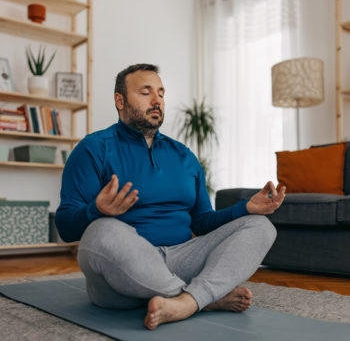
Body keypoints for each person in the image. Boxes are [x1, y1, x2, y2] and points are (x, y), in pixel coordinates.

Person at [56, 63, 286, 330]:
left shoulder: (184, 156)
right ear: (120, 101)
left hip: (182, 260)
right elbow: (65, 227)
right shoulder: (93, 149)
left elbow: (201, 222)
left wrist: (245, 208)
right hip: (122, 274)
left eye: (161, 94)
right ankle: (204, 297)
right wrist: (96, 210)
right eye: (145, 92)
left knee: (260, 226)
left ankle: (184, 301)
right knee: (101, 232)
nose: (157, 101)